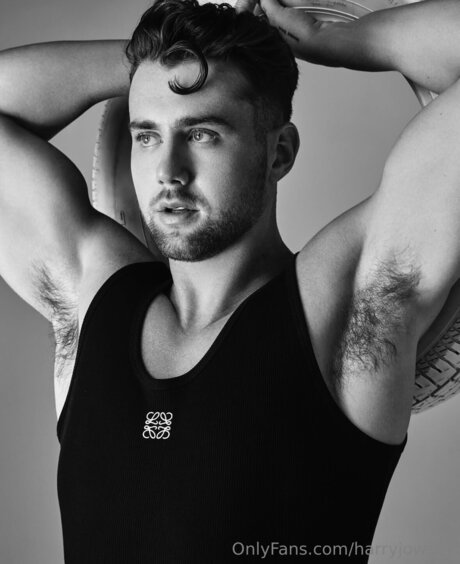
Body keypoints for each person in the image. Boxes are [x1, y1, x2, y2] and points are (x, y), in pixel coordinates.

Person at [0, 0, 458, 560]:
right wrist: (160, 68)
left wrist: (331, 38)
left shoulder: (343, 306)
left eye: (201, 133)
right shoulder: (90, 295)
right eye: (147, 135)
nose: (167, 172)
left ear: (279, 152)